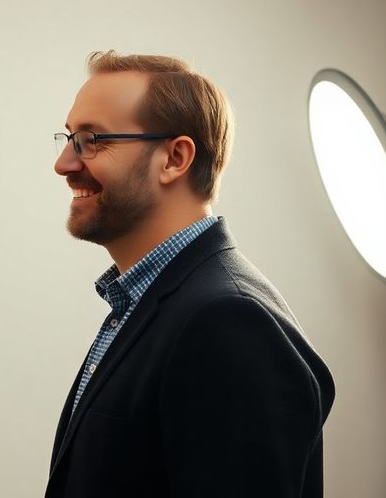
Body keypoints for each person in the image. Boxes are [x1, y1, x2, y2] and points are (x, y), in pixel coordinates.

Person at [46, 51, 334, 497]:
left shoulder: (229, 323)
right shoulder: (152, 305)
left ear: (175, 158)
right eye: (69, 139)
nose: (64, 163)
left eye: (91, 139)